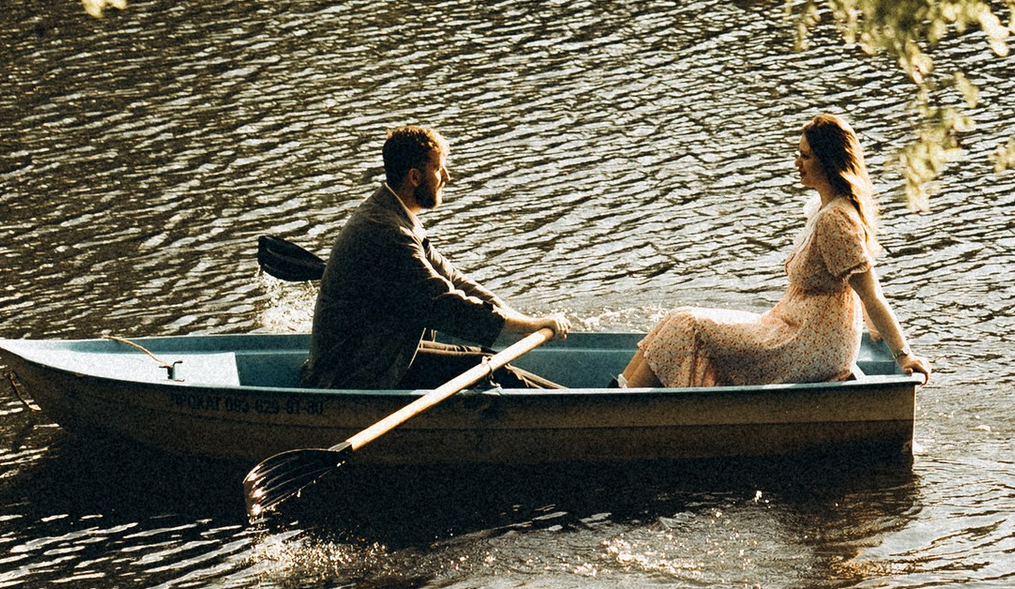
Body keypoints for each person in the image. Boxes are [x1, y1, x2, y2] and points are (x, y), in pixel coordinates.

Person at [619, 113, 930, 389]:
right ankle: (619, 392)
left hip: (809, 346)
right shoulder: (823, 209)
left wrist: (904, 355)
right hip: (791, 329)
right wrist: (872, 326)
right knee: (677, 318)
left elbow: (869, 292)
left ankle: (621, 408)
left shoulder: (836, 220)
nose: (797, 163)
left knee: (686, 325)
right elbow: (847, 279)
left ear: (828, 162)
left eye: (805, 156)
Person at [300, 125, 566, 393]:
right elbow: (444, 303)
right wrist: (524, 325)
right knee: (486, 368)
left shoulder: (394, 214)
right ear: (415, 177)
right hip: (353, 374)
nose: (446, 177)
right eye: (439, 169)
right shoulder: (386, 231)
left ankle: (571, 400)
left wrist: (519, 321)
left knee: (484, 357)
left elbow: (454, 280)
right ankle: (576, 407)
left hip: (381, 352)